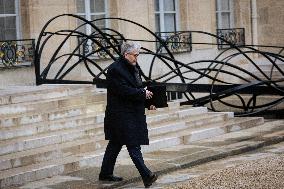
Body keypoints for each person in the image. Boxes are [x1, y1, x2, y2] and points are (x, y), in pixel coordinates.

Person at [98, 41, 158, 188]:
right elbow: (124, 91)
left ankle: (105, 173)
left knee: (115, 143)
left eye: (137, 55)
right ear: (126, 54)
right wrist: (142, 93)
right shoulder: (114, 70)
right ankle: (146, 175)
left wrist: (148, 100)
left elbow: (137, 86)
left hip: (131, 112)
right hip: (121, 114)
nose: (137, 58)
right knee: (133, 144)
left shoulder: (133, 65)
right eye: (135, 55)